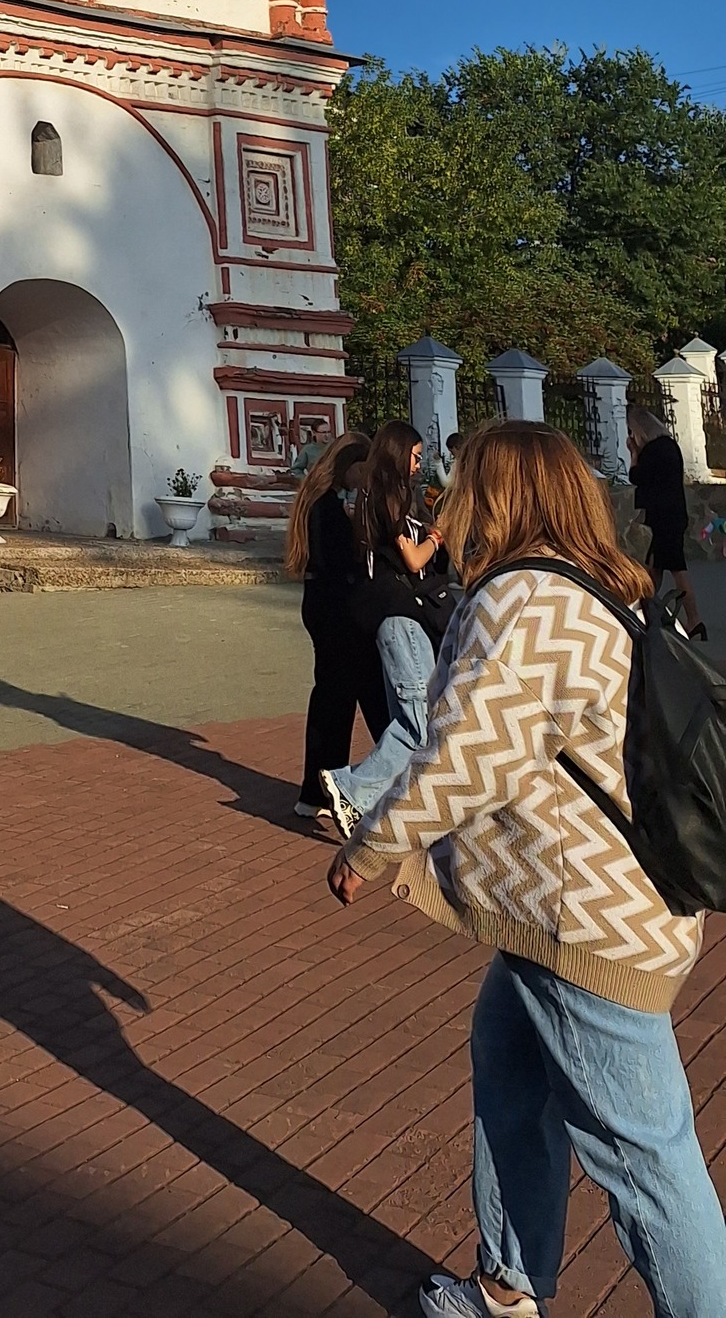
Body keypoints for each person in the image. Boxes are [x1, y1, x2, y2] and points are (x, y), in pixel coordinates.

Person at [328, 423, 723, 1318]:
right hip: (596, 901)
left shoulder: (521, 601)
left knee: (649, 1164)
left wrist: (371, 848)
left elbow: (465, 759)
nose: (453, 498)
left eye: (467, 481)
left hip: (580, 918)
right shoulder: (598, 587)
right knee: (508, 1061)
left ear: (496, 493)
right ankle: (507, 1287)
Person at [317, 418, 452, 839]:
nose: (418, 465)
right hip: (400, 617)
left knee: (409, 722)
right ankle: (351, 789)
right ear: (399, 454)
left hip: (393, 618)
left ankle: (379, 803)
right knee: (419, 724)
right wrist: (438, 535)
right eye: (415, 456)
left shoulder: (372, 494)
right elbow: (413, 560)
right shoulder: (392, 492)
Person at [285, 433, 387, 819]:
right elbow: (339, 562)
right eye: (364, 470)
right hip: (337, 608)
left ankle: (318, 791)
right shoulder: (327, 508)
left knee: (334, 698)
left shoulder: (315, 501)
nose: (366, 478)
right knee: (363, 696)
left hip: (320, 604)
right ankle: (349, 786)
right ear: (351, 467)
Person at [628, 405, 708, 644]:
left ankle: (693, 620)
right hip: (672, 515)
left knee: (675, 568)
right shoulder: (669, 445)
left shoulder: (652, 450)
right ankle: (645, 610)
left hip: (664, 517)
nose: (632, 437)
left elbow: (636, 477)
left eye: (633, 432)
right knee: (655, 566)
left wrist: (633, 453)